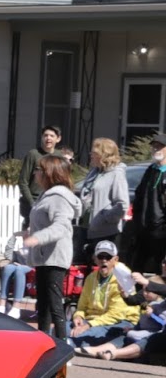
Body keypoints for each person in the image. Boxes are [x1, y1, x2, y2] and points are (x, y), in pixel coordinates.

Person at [22, 154, 80, 339]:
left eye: (39, 169)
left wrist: (38, 237)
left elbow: (60, 226)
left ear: (50, 173)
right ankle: (43, 340)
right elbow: (45, 222)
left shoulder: (58, 198)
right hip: (44, 256)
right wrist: (30, 233)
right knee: (44, 304)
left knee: (55, 303)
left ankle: (63, 344)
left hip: (54, 257)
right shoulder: (46, 196)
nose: (35, 173)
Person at [68, 240, 139, 348]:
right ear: (95, 259)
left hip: (119, 322)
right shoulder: (91, 277)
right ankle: (69, 343)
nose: (104, 260)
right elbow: (82, 306)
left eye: (108, 257)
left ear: (115, 259)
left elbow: (115, 315)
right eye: (100, 257)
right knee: (59, 329)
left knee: (83, 335)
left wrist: (88, 325)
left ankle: (70, 345)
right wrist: (78, 317)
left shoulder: (123, 278)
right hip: (93, 320)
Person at [81, 138, 129, 258]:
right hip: (88, 230)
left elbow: (122, 204)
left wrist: (104, 218)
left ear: (104, 155)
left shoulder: (116, 174)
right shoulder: (94, 172)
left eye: (94, 153)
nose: (90, 155)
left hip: (106, 233)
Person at [129, 132, 166, 274]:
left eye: (160, 147)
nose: (156, 149)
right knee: (137, 264)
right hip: (143, 228)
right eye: (154, 147)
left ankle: (158, 294)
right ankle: (137, 294)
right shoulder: (151, 170)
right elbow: (139, 195)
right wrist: (137, 219)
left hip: (160, 230)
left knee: (158, 267)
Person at [19, 125, 61, 225]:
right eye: (45, 135)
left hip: (52, 201)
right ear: (42, 137)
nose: (48, 138)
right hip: (34, 201)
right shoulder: (33, 154)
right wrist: (31, 203)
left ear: (58, 139)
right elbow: (23, 181)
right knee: (31, 235)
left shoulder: (60, 156)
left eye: (52, 136)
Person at [0, 238, 35, 320]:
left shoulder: (36, 245)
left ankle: (16, 307)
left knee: (19, 269)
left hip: (33, 268)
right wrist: (14, 237)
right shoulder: (20, 252)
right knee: (8, 267)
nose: (27, 235)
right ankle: (2, 303)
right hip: (19, 267)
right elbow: (8, 255)